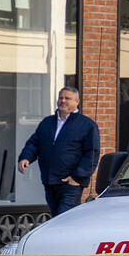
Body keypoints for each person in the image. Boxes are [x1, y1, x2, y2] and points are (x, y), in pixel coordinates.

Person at [18, 86, 100, 216]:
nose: (63, 101)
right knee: (56, 218)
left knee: (64, 220)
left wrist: (77, 177)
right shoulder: (47, 122)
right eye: (61, 97)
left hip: (70, 184)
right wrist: (25, 157)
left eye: (67, 98)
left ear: (77, 101)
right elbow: (34, 143)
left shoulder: (87, 125)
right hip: (50, 182)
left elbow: (92, 154)